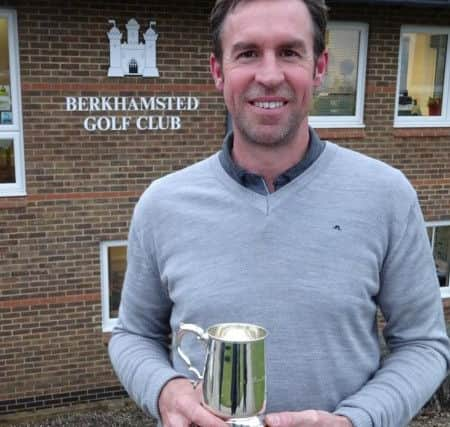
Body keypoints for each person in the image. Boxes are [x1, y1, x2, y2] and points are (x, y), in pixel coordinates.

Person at [109, 0, 450, 426]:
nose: (269, 76)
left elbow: (423, 344)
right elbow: (133, 335)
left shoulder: (386, 196)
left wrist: (355, 421)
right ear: (218, 71)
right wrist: (165, 391)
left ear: (319, 67)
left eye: (289, 52)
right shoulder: (161, 205)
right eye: (248, 53)